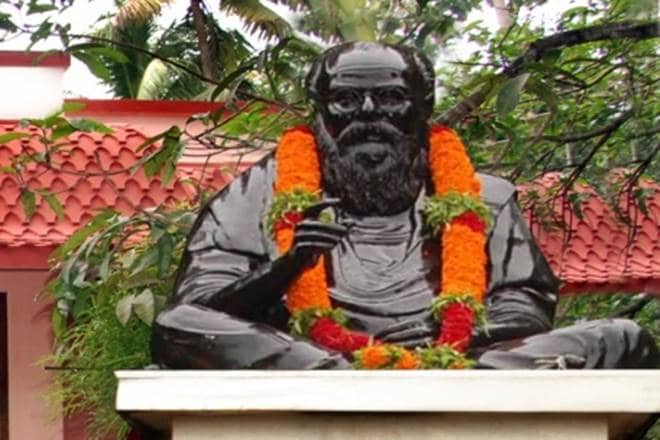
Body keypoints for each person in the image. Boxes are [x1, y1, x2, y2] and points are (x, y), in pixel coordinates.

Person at [151, 42, 658, 369]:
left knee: (624, 339)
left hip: (459, 361)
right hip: (312, 359)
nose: (369, 115)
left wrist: (446, 335)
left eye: (391, 99)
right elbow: (198, 308)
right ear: (319, 112)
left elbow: (523, 305)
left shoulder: (485, 196)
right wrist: (285, 270)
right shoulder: (257, 195)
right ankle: (334, 374)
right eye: (346, 102)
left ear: (424, 106)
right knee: (180, 328)